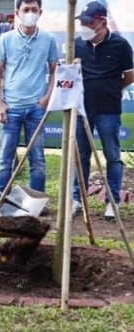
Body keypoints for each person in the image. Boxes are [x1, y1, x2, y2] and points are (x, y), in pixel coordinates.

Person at [73, 1, 134, 220]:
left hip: (109, 109)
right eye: (83, 22)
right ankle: (76, 200)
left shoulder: (120, 45)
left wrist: (110, 88)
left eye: (89, 22)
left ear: (102, 22)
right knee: (80, 156)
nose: (85, 26)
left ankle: (112, 202)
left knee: (112, 155)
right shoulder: (77, 44)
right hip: (81, 110)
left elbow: (129, 75)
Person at [0, 0, 57, 197]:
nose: (30, 13)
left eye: (34, 10)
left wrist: (47, 97)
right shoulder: (5, 39)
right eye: (26, 9)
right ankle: (1, 200)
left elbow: (55, 70)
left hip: (36, 108)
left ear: (41, 12)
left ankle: (36, 201)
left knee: (37, 158)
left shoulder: (48, 39)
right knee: (5, 158)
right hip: (11, 107)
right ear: (17, 12)